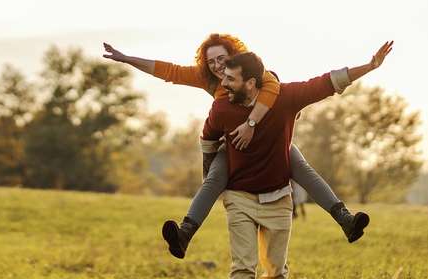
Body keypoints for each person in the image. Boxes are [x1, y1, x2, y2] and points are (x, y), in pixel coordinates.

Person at [102, 35, 369, 258]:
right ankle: (184, 234)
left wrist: (252, 123)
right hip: (233, 144)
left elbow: (278, 87)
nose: (217, 66)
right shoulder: (209, 80)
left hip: (271, 139)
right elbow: (167, 71)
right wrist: (127, 58)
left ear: (234, 55)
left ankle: (345, 219)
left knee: (302, 169)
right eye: (211, 61)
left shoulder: (257, 75)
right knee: (213, 179)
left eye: (221, 58)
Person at [201, 43, 392, 279]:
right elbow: (207, 139)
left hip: (278, 198)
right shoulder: (221, 108)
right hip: (239, 196)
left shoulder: (287, 97)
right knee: (243, 265)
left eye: (231, 79)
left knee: (276, 269)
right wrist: (211, 178)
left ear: (251, 83)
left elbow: (328, 82)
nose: (224, 83)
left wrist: (370, 66)